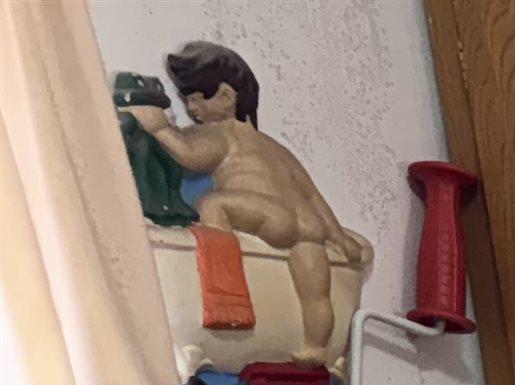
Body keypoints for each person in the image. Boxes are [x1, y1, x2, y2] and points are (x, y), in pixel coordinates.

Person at [128, 44, 371, 353]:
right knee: (316, 295)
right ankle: (315, 346)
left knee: (212, 204)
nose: (192, 110)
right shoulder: (274, 147)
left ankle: (225, 290)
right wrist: (337, 236)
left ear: (227, 97)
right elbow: (311, 193)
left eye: (195, 100)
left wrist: (161, 129)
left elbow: (191, 157)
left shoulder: (220, 133)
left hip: (269, 216)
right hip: (306, 224)